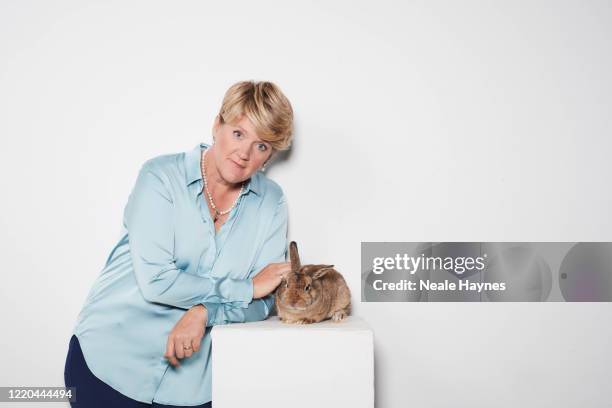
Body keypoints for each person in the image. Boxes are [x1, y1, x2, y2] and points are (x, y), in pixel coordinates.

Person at [64, 80, 295, 407]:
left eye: (262, 146)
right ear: (218, 125)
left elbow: (265, 300)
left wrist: (205, 312)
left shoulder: (271, 203)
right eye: (238, 133)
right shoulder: (160, 177)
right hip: (109, 362)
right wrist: (244, 288)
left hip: (191, 387)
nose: (244, 154)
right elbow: (157, 283)